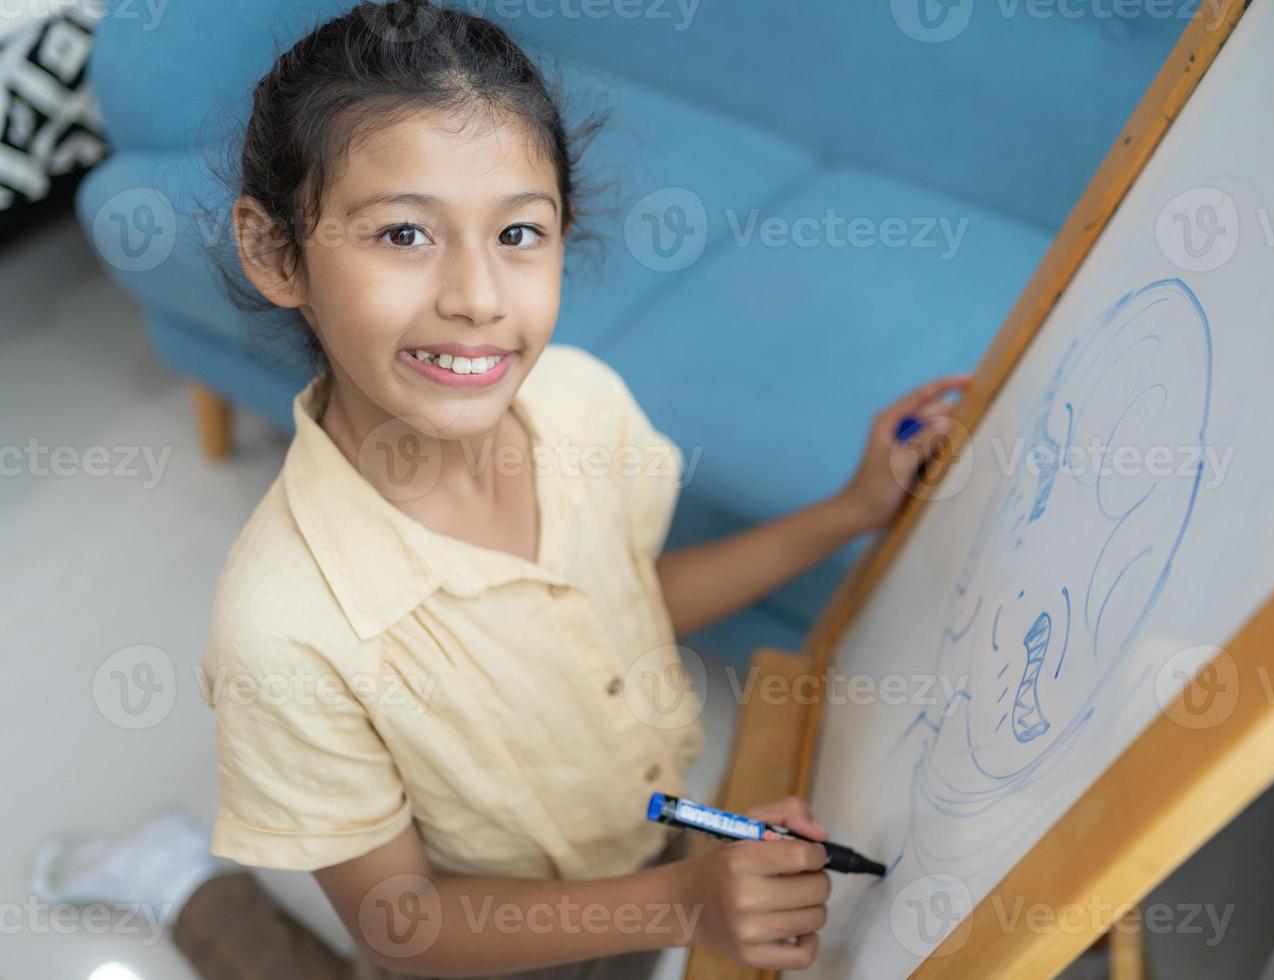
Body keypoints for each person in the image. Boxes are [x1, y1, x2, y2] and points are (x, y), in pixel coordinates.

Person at [134, 0, 969, 976]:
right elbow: (399, 917)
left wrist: (849, 510)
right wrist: (685, 900)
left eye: (520, 233)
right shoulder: (281, 627)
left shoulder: (580, 402)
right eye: (404, 234)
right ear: (279, 252)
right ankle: (178, 881)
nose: (479, 296)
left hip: (645, 852)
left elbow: (629, 596)